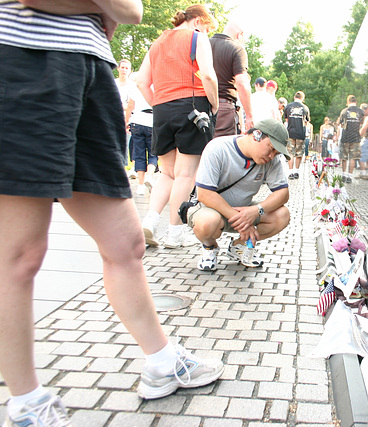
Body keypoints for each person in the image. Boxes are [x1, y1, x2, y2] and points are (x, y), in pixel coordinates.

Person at [0, 2, 223, 425]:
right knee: (20, 254)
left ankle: (161, 364)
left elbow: (128, 12)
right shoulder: (192, 39)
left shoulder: (160, 43)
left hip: (91, 68)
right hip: (28, 59)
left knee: (126, 242)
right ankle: (27, 403)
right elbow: (128, 8)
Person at [137, 5, 219, 248]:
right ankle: (174, 233)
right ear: (197, 21)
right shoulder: (197, 38)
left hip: (161, 109)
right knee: (185, 174)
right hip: (192, 107)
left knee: (166, 172)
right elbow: (208, 76)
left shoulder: (157, 42)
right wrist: (214, 105)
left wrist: (158, 105)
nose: (206, 31)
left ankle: (150, 222)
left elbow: (142, 82)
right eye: (206, 26)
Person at [185, 119, 291, 271]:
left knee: (282, 215)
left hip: (244, 210)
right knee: (207, 223)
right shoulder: (218, 148)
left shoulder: (272, 160)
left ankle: (238, 246)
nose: (272, 156)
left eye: (276, 153)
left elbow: (283, 193)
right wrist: (243, 221)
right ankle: (209, 247)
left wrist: (257, 210)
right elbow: (204, 193)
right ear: (256, 134)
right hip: (208, 209)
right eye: (271, 148)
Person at [210, 21, 253, 135]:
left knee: (199, 150)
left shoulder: (203, 44)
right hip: (223, 108)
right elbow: (242, 82)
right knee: (223, 148)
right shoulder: (237, 49)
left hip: (199, 104)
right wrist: (249, 115)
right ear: (240, 34)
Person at [126, 71, 158, 196]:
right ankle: (149, 176)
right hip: (152, 121)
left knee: (138, 153)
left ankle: (140, 186)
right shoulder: (156, 86)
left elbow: (130, 106)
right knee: (153, 152)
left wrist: (126, 121)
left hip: (137, 120)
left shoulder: (137, 86)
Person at [337, 95, 365, 183]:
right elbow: (362, 124)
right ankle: (350, 176)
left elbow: (341, 124)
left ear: (347, 102)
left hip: (345, 137)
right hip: (355, 137)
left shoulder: (344, 111)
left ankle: (344, 174)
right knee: (353, 158)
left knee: (344, 157)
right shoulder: (360, 111)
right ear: (356, 102)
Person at [284, 91, 310, 179]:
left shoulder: (288, 107)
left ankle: (290, 172)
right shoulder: (305, 108)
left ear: (294, 97)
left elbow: (286, 120)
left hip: (290, 132)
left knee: (290, 152)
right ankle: (296, 171)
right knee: (299, 153)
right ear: (302, 98)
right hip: (300, 133)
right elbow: (306, 122)